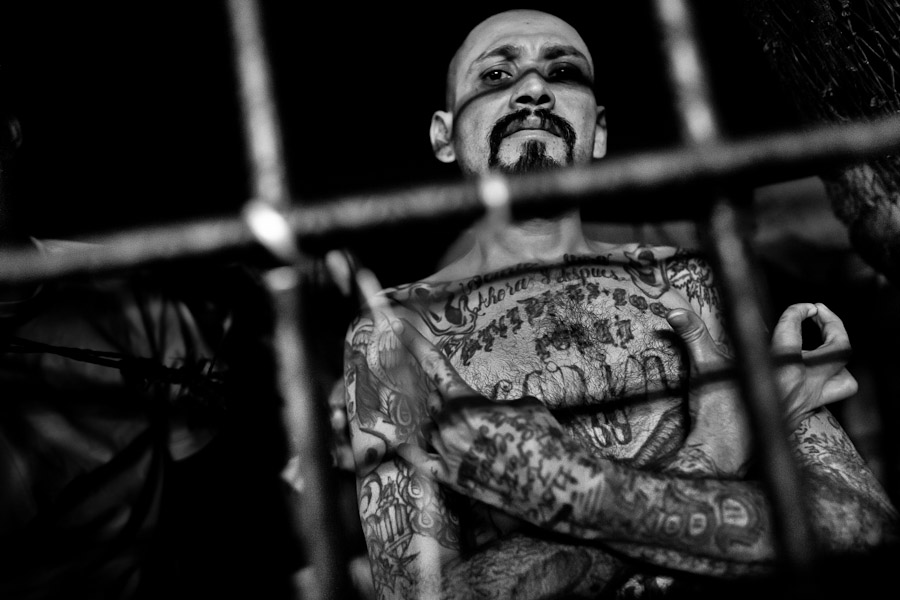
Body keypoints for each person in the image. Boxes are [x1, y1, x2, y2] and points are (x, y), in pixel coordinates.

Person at [342, 8, 899, 599]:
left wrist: (570, 496)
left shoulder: (688, 284)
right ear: (443, 135)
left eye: (563, 71)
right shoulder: (394, 334)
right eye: (496, 76)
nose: (534, 88)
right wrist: (715, 451)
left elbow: (864, 527)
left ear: (600, 131)